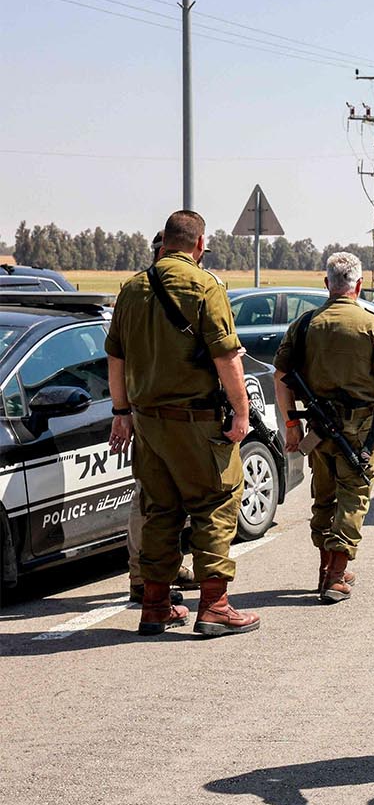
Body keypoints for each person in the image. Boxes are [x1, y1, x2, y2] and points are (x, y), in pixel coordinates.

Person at [104, 210, 260, 636]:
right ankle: (214, 606)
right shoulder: (205, 286)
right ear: (199, 244)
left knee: (159, 509)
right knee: (216, 503)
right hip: (197, 422)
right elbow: (227, 357)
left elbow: (114, 357)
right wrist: (242, 413)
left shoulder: (132, 289)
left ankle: (155, 606)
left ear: (164, 243)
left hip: (148, 423)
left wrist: (121, 413)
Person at [273, 251, 374, 603]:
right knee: (354, 496)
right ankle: (334, 577)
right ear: (359, 285)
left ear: (327, 285)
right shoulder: (372, 324)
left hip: (318, 432)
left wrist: (291, 424)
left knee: (325, 497)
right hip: (358, 431)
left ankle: (327, 567)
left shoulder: (304, 325)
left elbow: (281, 377)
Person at [125, 230, 194, 606]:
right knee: (150, 498)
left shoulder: (135, 291)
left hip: (152, 407)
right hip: (158, 411)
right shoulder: (146, 292)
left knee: (167, 496)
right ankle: (142, 575)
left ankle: (163, 568)